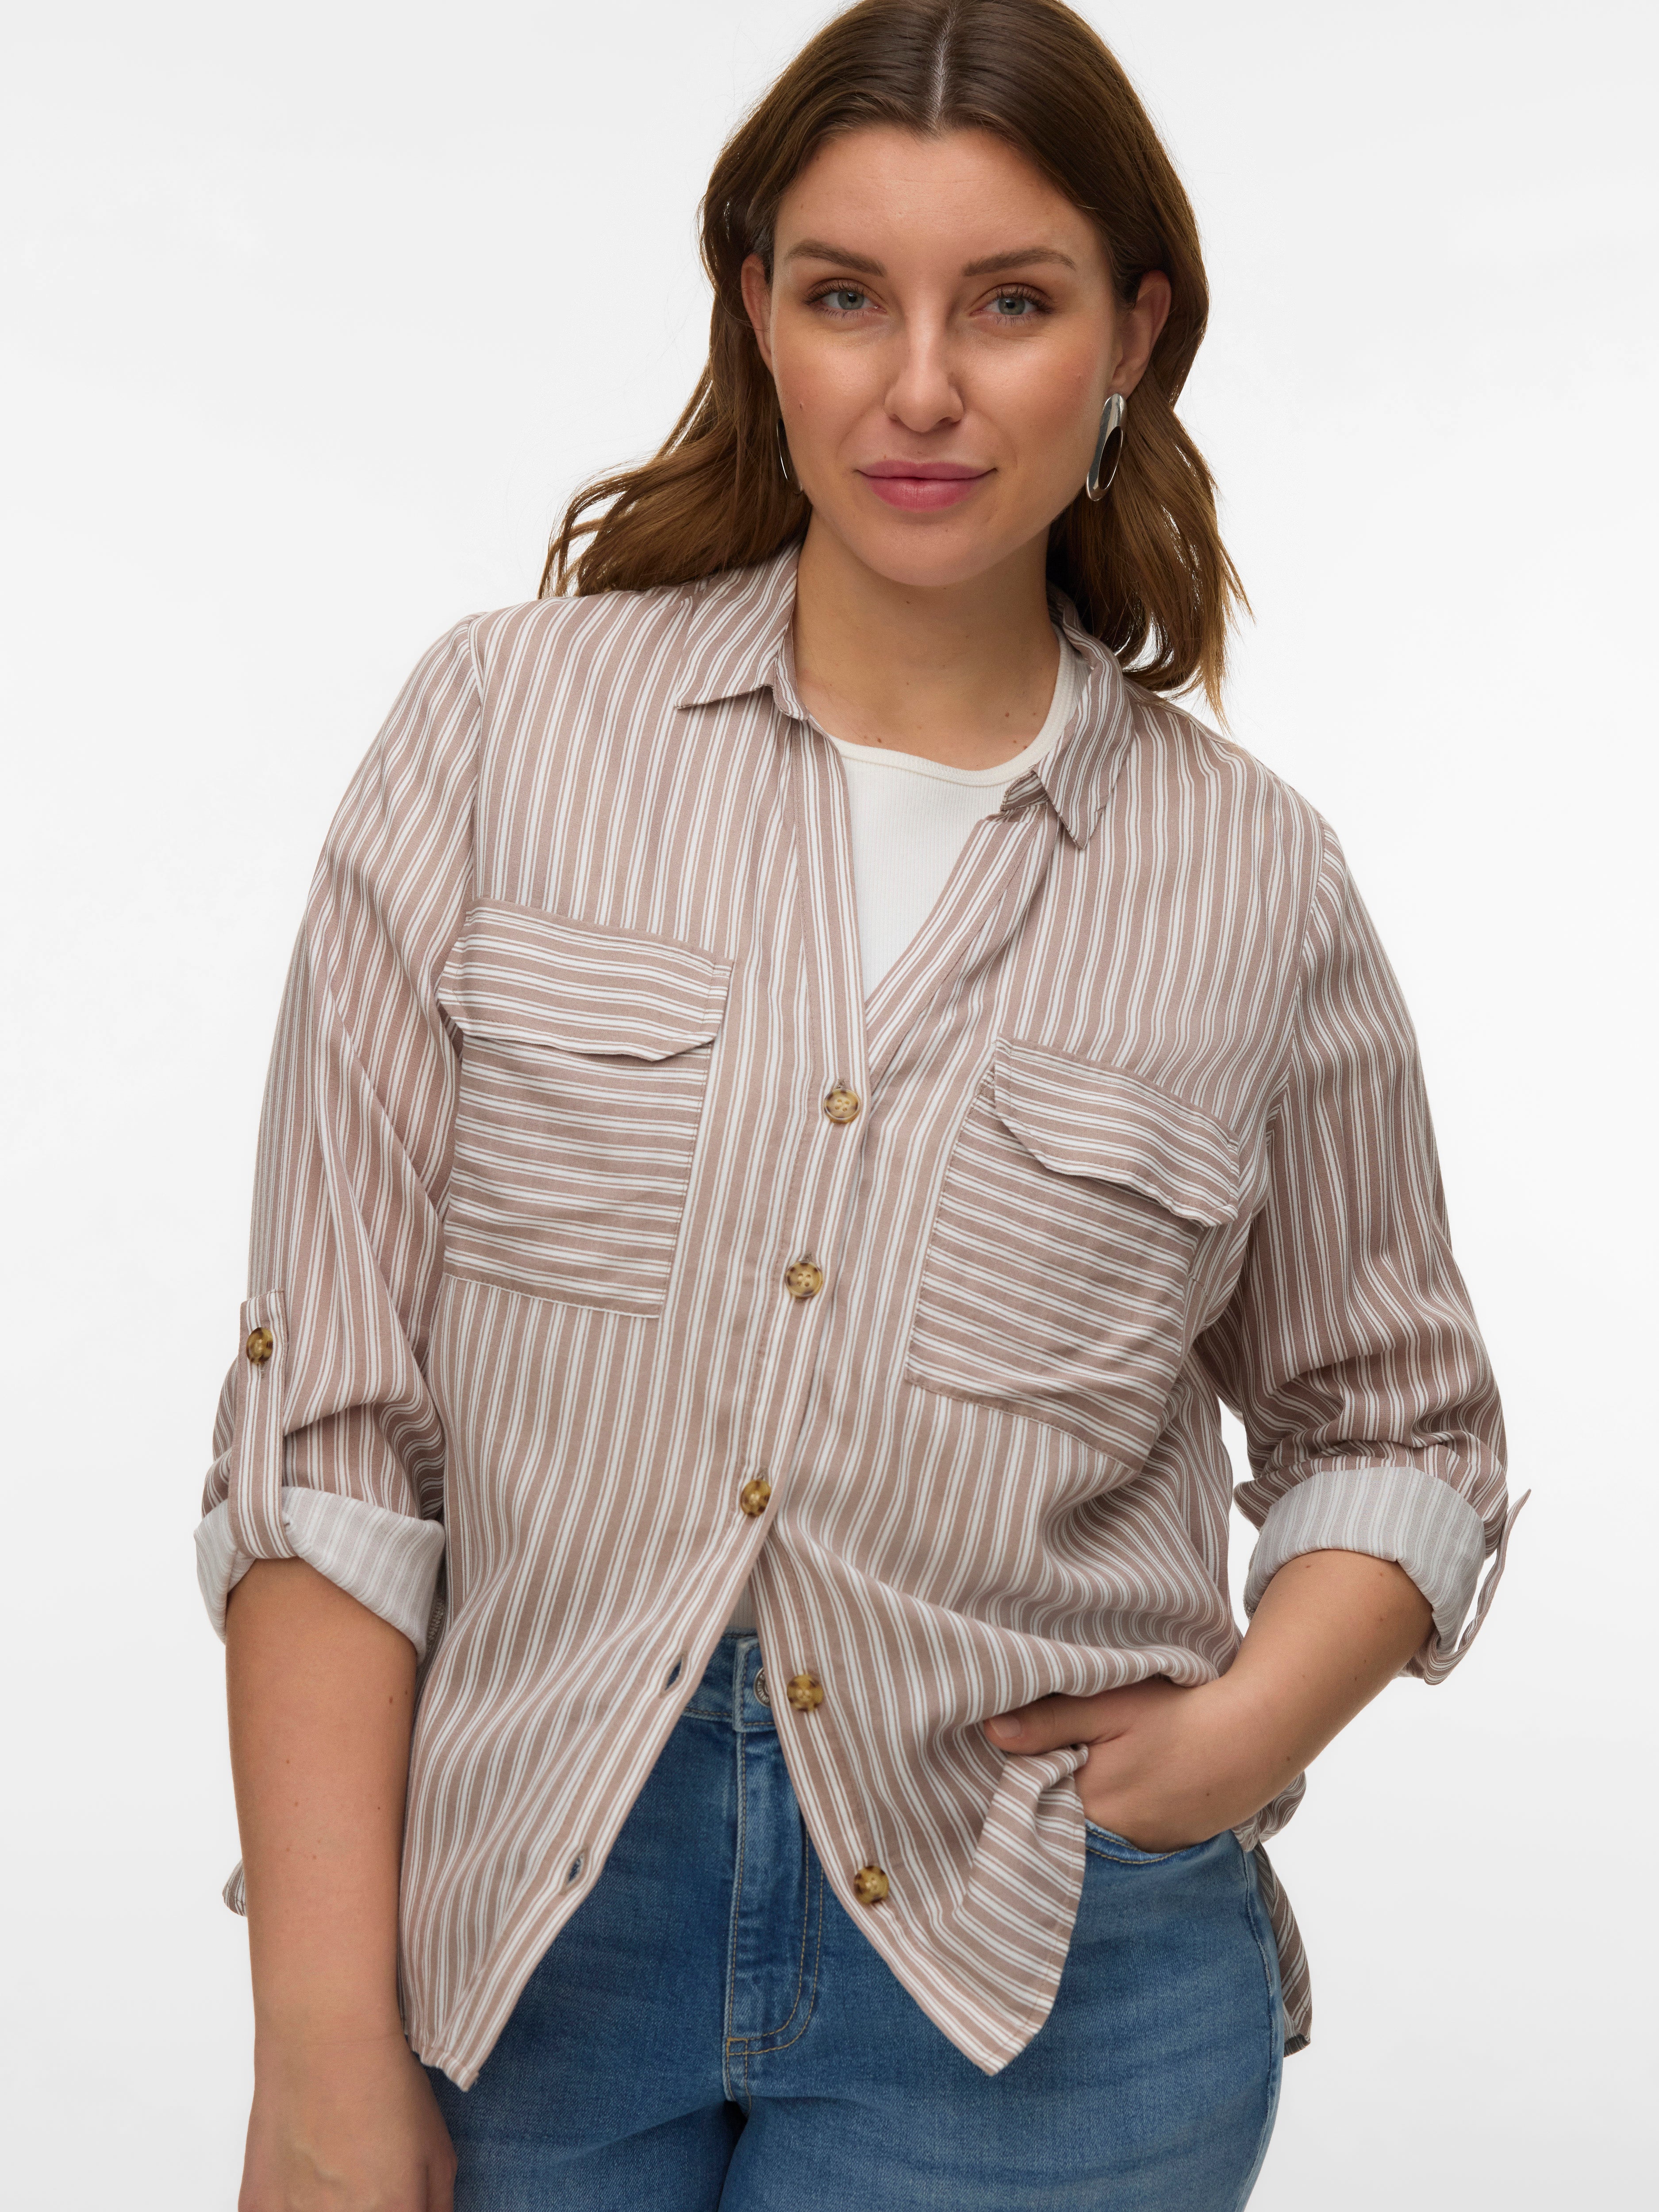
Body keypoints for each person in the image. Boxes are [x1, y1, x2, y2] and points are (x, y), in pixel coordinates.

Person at [199, 3, 1521, 2205]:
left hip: (1041, 1971)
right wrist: (319, 2041)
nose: (919, 387)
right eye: (844, 296)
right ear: (756, 313)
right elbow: (328, 1436)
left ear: (1131, 335)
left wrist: (1232, 1739)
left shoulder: (1253, 880)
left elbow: (1397, 1421)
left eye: (1006, 303)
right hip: (509, 1935)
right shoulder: (502, 732)